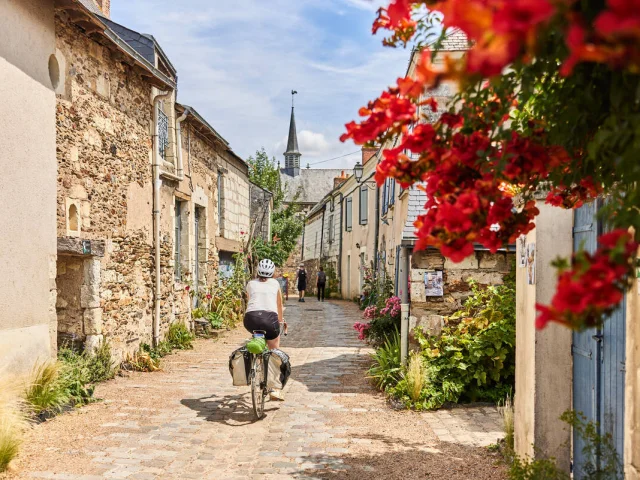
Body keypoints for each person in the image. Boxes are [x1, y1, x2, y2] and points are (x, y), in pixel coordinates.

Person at [244, 259, 287, 401]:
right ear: (273, 272)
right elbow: (279, 304)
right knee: (274, 351)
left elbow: (250, 300)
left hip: (251, 320)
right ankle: (274, 388)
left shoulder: (250, 284)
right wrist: (281, 321)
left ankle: (255, 363)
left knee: (257, 333)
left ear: (257, 271)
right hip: (270, 320)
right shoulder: (275, 284)